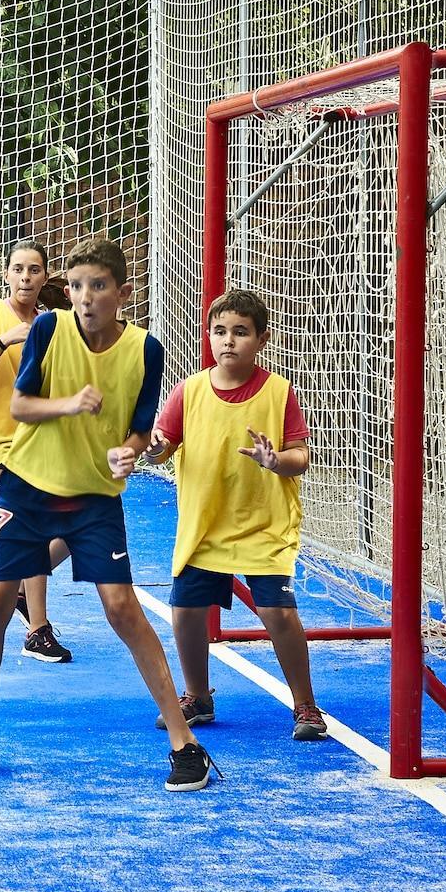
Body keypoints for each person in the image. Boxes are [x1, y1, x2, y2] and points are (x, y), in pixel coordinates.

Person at [0, 236, 215, 792]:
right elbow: (19, 405)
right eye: (76, 286)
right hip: (27, 486)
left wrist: (130, 452)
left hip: (93, 496)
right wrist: (68, 404)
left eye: (99, 285)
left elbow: (140, 428)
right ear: (65, 291)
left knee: (122, 608)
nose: (86, 296)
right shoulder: (48, 330)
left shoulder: (145, 350)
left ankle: (185, 743)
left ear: (123, 292)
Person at [144, 289, 326, 741]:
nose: (229, 340)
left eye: (241, 332)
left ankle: (305, 704)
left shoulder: (279, 392)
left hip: (264, 524)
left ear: (262, 339)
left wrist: (275, 461)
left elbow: (301, 457)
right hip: (205, 525)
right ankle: (197, 696)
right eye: (220, 331)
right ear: (208, 336)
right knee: (186, 610)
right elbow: (162, 448)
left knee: (277, 612)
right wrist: (152, 449)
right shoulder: (189, 391)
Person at [0, 241, 73, 663]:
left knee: (80, 524)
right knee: (36, 525)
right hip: (1, 444)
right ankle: (37, 631)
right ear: (6, 274)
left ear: (44, 276)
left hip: (42, 443)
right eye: (18, 268)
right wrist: (4, 341)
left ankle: (22, 588)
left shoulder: (50, 323)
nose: (26, 276)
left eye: (34, 269)